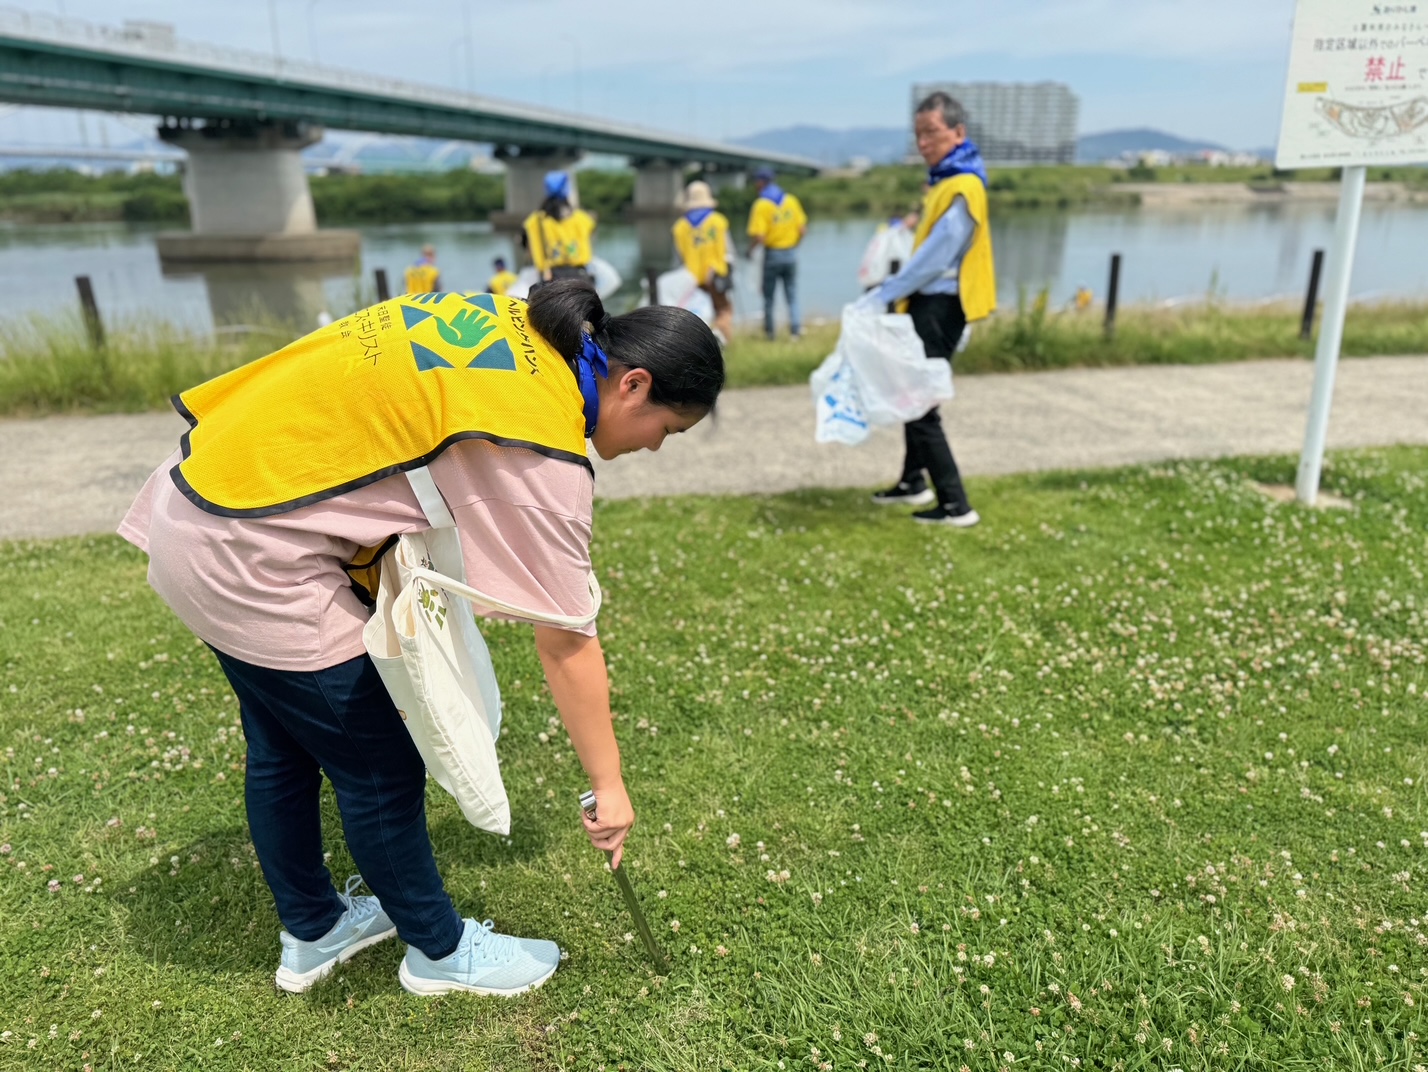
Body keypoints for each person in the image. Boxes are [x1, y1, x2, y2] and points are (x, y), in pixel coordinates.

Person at [117, 280, 724, 998]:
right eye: (668, 430)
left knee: (283, 743)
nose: (654, 446)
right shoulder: (539, 443)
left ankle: (314, 929)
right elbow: (567, 641)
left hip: (200, 502)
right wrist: (610, 787)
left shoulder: (515, 319)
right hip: (253, 556)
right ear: (634, 383)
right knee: (379, 765)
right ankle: (438, 952)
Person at [861, 90, 997, 528]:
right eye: (918, 134)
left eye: (932, 133)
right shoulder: (948, 180)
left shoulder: (963, 184)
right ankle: (912, 482)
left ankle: (956, 504)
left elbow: (937, 257)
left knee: (920, 403)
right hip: (932, 303)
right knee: (912, 391)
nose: (923, 142)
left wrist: (885, 291)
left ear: (959, 133)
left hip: (940, 305)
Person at [745, 166, 807, 340]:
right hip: (791, 253)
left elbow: (759, 236)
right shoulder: (791, 200)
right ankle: (795, 332)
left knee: (769, 297)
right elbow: (802, 230)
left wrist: (749, 251)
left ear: (761, 182)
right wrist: (795, 246)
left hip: (772, 255)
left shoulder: (761, 204)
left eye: (756, 181)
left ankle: (770, 334)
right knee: (792, 294)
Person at [672, 180, 734, 343]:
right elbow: (729, 250)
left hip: (692, 278)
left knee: (697, 314)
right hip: (715, 274)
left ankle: (704, 343)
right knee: (724, 309)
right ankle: (724, 340)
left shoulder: (679, 227)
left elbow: (679, 258)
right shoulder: (718, 221)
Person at [523, 171, 596, 283]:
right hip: (580, 277)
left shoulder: (535, 221)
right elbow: (591, 235)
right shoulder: (581, 218)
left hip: (550, 278)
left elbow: (526, 246)